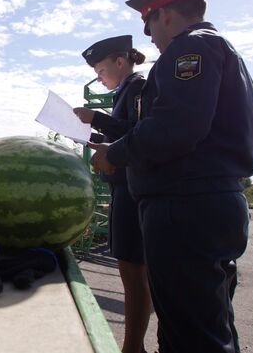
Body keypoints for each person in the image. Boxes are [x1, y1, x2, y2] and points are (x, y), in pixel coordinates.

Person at [89, 0, 253, 353]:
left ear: (164, 14)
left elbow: (174, 127)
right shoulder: (217, 49)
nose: (148, 37)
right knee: (207, 326)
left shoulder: (190, 50)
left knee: (190, 335)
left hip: (186, 209)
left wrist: (113, 153)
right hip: (208, 203)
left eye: (148, 22)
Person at [74, 35, 152, 353]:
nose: (100, 78)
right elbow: (118, 136)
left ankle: (132, 347)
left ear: (120, 62)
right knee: (128, 269)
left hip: (134, 191)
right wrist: (88, 133)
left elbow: (139, 134)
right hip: (124, 187)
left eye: (101, 70)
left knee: (134, 272)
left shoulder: (138, 86)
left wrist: (96, 117)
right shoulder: (125, 90)